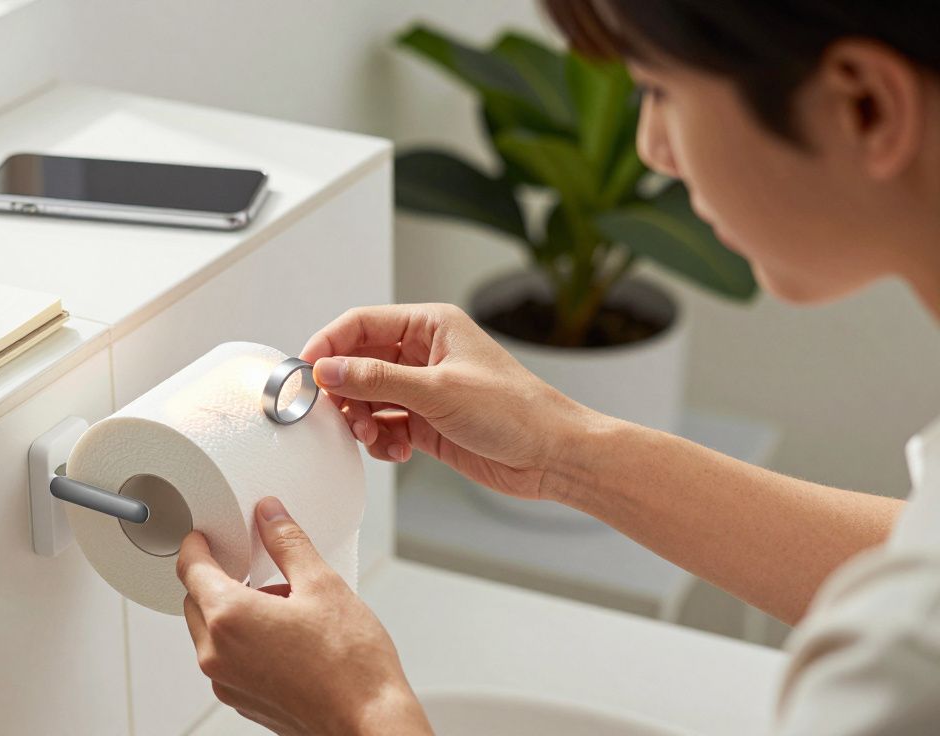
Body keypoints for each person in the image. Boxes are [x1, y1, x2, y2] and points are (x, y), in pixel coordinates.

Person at [176, 1, 940, 733]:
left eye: (659, 89)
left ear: (865, 105)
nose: (652, 148)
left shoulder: (899, 669)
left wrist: (359, 716)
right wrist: (562, 452)